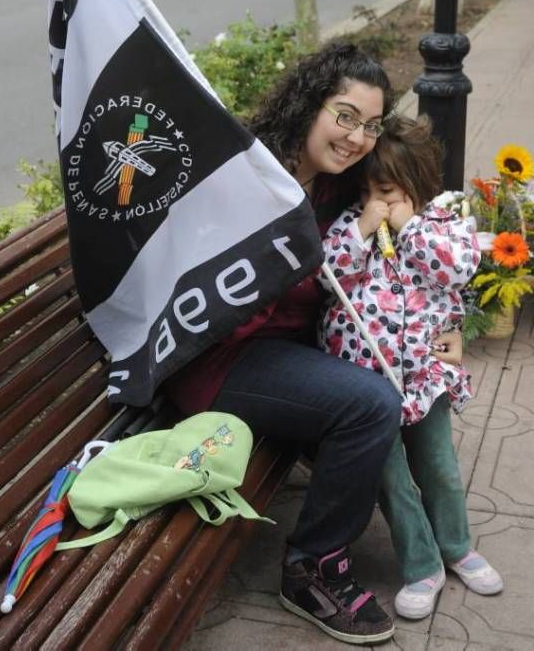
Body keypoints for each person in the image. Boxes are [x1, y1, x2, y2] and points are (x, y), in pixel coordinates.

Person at [168, 43, 460, 645]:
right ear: (309, 105)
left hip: (292, 351)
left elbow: (411, 225)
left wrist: (444, 326)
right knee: (370, 402)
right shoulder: (246, 181)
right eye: (344, 115)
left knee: (399, 381)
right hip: (223, 360)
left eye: (370, 125)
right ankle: (312, 566)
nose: (356, 137)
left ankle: (432, 530)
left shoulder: (336, 184)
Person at [318, 114, 503, 622]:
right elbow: (329, 272)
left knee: (438, 467)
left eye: (388, 191)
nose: (378, 202)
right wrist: (363, 226)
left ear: (417, 183)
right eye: (369, 191)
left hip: (425, 379)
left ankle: (457, 546)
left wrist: (408, 225)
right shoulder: (355, 223)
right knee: (391, 478)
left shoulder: (445, 227)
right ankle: (422, 565)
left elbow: (455, 269)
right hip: (367, 384)